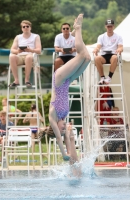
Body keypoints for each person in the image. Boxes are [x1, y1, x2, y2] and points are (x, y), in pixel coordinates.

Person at [49, 14, 91, 161]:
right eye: (62, 129)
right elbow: (66, 137)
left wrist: (63, 154)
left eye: (60, 129)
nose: (62, 128)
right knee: (87, 58)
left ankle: (77, 28)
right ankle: (75, 33)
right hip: (67, 82)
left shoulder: (52, 117)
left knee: (80, 54)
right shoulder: (63, 117)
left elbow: (60, 139)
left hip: (59, 80)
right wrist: (71, 154)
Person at [9, 20, 41, 87]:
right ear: (22, 28)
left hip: (31, 56)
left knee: (28, 57)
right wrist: (18, 51)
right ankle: (16, 80)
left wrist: (31, 50)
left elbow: (39, 50)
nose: (26, 28)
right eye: (24, 27)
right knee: (12, 56)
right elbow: (12, 49)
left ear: (30, 27)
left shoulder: (36, 36)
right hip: (20, 56)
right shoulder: (18, 37)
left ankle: (27, 80)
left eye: (27, 26)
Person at [93, 19, 123, 85]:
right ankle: (102, 77)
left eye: (111, 26)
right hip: (104, 55)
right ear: (105, 27)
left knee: (115, 58)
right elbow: (98, 46)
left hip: (113, 55)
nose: (109, 28)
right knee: (97, 58)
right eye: (108, 26)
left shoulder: (118, 36)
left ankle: (109, 77)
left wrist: (119, 49)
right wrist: (96, 49)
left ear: (113, 26)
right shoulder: (101, 36)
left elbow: (120, 46)